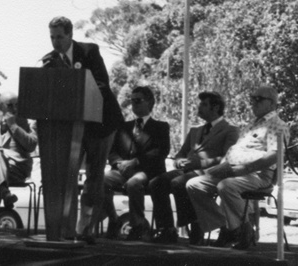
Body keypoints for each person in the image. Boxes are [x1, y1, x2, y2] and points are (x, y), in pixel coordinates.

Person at [42, 16, 124, 242]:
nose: (56, 42)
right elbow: (48, 93)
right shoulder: (50, 61)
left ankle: (85, 230)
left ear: (70, 35)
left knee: (94, 177)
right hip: (69, 128)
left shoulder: (89, 52)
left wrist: (77, 88)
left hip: (100, 123)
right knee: (66, 175)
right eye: (52, 37)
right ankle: (64, 230)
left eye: (60, 37)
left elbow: (101, 84)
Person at [185, 86, 288, 249]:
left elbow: (274, 156)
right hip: (233, 171)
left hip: (257, 175)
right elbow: (235, 151)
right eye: (252, 99)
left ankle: (242, 230)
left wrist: (242, 169)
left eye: (258, 99)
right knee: (194, 184)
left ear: (272, 103)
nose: (253, 103)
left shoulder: (277, 124)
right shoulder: (251, 125)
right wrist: (221, 167)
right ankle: (229, 227)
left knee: (226, 186)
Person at [149, 91, 239, 244]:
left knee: (178, 183)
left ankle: (196, 226)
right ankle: (167, 229)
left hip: (208, 173)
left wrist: (199, 163)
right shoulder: (195, 130)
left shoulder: (230, 130)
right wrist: (179, 162)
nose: (199, 107)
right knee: (156, 183)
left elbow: (227, 158)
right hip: (186, 170)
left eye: (204, 104)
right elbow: (180, 153)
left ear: (216, 107)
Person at [102, 85, 170, 241]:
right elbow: (112, 151)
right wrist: (119, 163)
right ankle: (114, 220)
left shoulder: (160, 127)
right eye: (131, 101)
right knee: (102, 181)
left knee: (134, 183)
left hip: (147, 171)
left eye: (138, 100)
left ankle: (138, 226)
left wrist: (135, 162)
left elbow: (160, 152)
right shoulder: (124, 127)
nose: (134, 104)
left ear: (150, 102)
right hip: (122, 170)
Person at [0, 92, 38, 232]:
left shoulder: (30, 122)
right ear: (1, 107)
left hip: (17, 168)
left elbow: (31, 145)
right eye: (10, 105)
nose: (14, 109)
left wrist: (13, 126)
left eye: (17, 105)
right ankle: (5, 192)